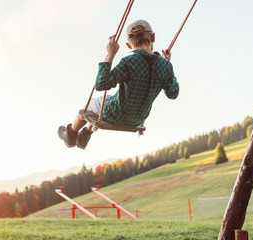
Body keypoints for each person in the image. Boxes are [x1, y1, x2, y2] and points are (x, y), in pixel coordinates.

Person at [58, 19, 179, 149]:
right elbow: (173, 94)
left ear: (128, 45)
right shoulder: (165, 66)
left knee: (91, 106)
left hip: (115, 114)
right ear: (153, 37)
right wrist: (168, 65)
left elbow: (101, 84)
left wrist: (110, 54)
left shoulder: (129, 62)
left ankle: (71, 134)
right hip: (137, 119)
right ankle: (85, 135)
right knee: (107, 100)